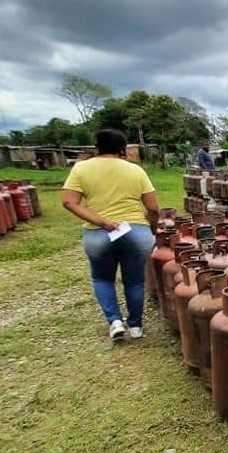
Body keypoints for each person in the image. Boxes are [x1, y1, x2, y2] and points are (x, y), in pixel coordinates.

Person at [62, 129, 159, 340]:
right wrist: (151, 229)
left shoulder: (81, 169)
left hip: (99, 233)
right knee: (134, 281)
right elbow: (153, 208)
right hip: (135, 231)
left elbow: (69, 202)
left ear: (97, 147)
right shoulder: (136, 170)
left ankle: (115, 322)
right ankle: (136, 326)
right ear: (122, 149)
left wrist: (102, 221)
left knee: (102, 279)